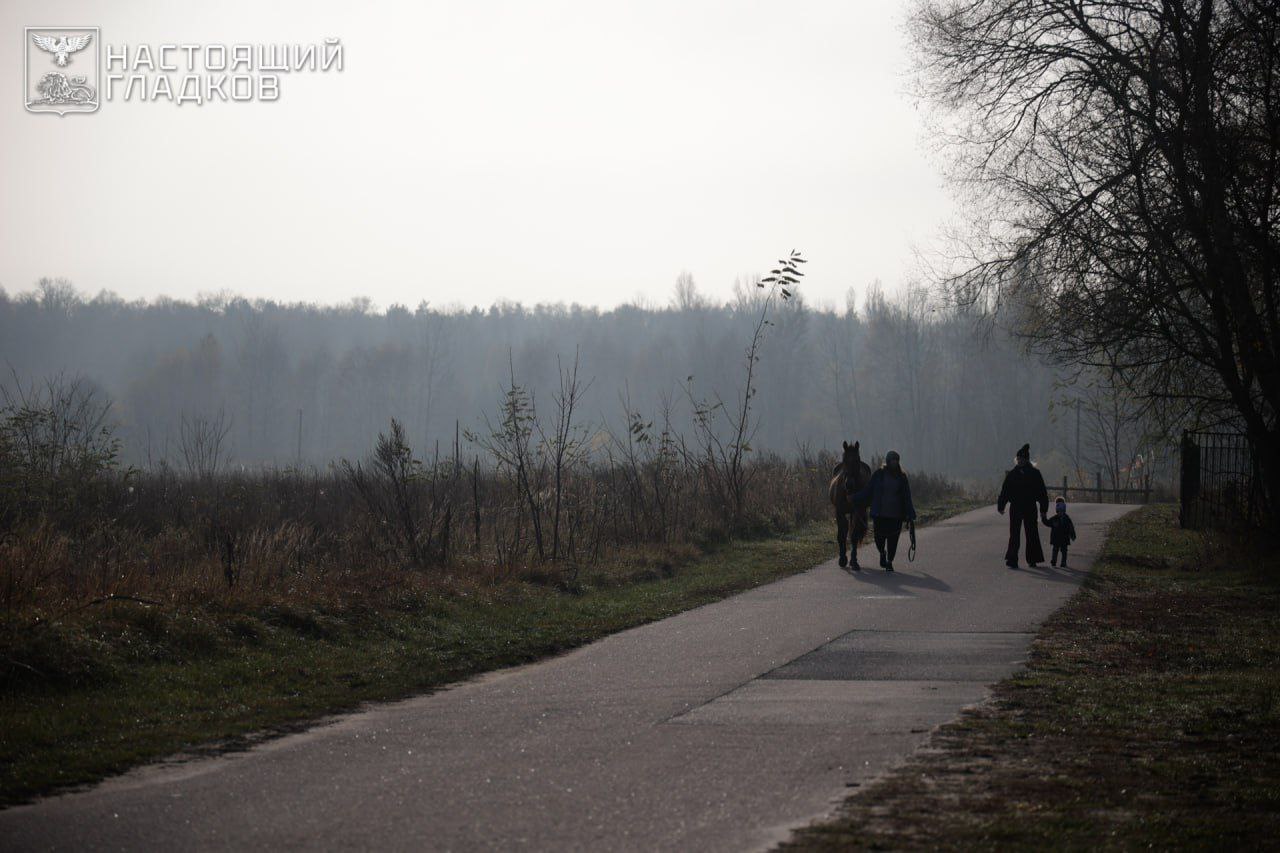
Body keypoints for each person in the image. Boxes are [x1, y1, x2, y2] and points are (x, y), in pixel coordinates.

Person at [848, 450, 917, 572]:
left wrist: (910, 514)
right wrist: (855, 498)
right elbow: (868, 490)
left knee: (893, 541)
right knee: (879, 539)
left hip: (896, 515)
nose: (894, 462)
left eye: (896, 460)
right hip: (880, 514)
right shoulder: (879, 474)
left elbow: (907, 497)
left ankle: (889, 561)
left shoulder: (902, 477)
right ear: (888, 461)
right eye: (892, 460)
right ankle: (882, 553)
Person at [997, 443, 1048, 568]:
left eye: (1022, 459)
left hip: (1030, 507)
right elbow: (1005, 491)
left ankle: (1033, 559)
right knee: (1014, 534)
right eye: (1018, 459)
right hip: (1016, 507)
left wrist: (1043, 509)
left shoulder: (1035, 474)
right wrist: (1001, 505)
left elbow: (1042, 492)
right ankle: (1012, 559)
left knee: (1031, 533)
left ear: (1026, 459)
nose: (1019, 461)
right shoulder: (1012, 475)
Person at [1042, 496, 1077, 567]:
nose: (1060, 512)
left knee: (1064, 551)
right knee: (1055, 549)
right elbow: (1047, 523)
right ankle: (1054, 561)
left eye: (1061, 510)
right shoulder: (1054, 518)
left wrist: (1072, 535)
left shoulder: (1067, 519)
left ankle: (1063, 562)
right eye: (1059, 511)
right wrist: (1044, 517)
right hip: (1056, 538)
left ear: (1064, 510)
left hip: (1064, 538)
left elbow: (1071, 527)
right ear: (1057, 510)